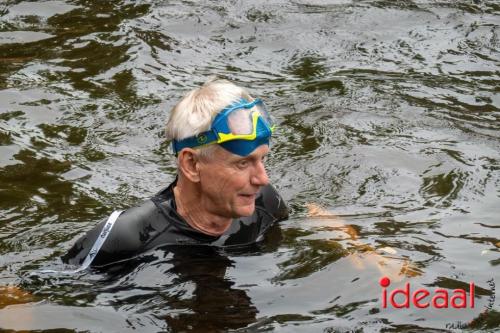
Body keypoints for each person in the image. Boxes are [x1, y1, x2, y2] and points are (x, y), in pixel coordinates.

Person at [62, 79, 289, 268]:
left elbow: (299, 223)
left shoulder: (264, 200)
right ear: (191, 164)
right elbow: (36, 291)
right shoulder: (126, 235)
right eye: (242, 163)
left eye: (262, 159)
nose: (262, 179)